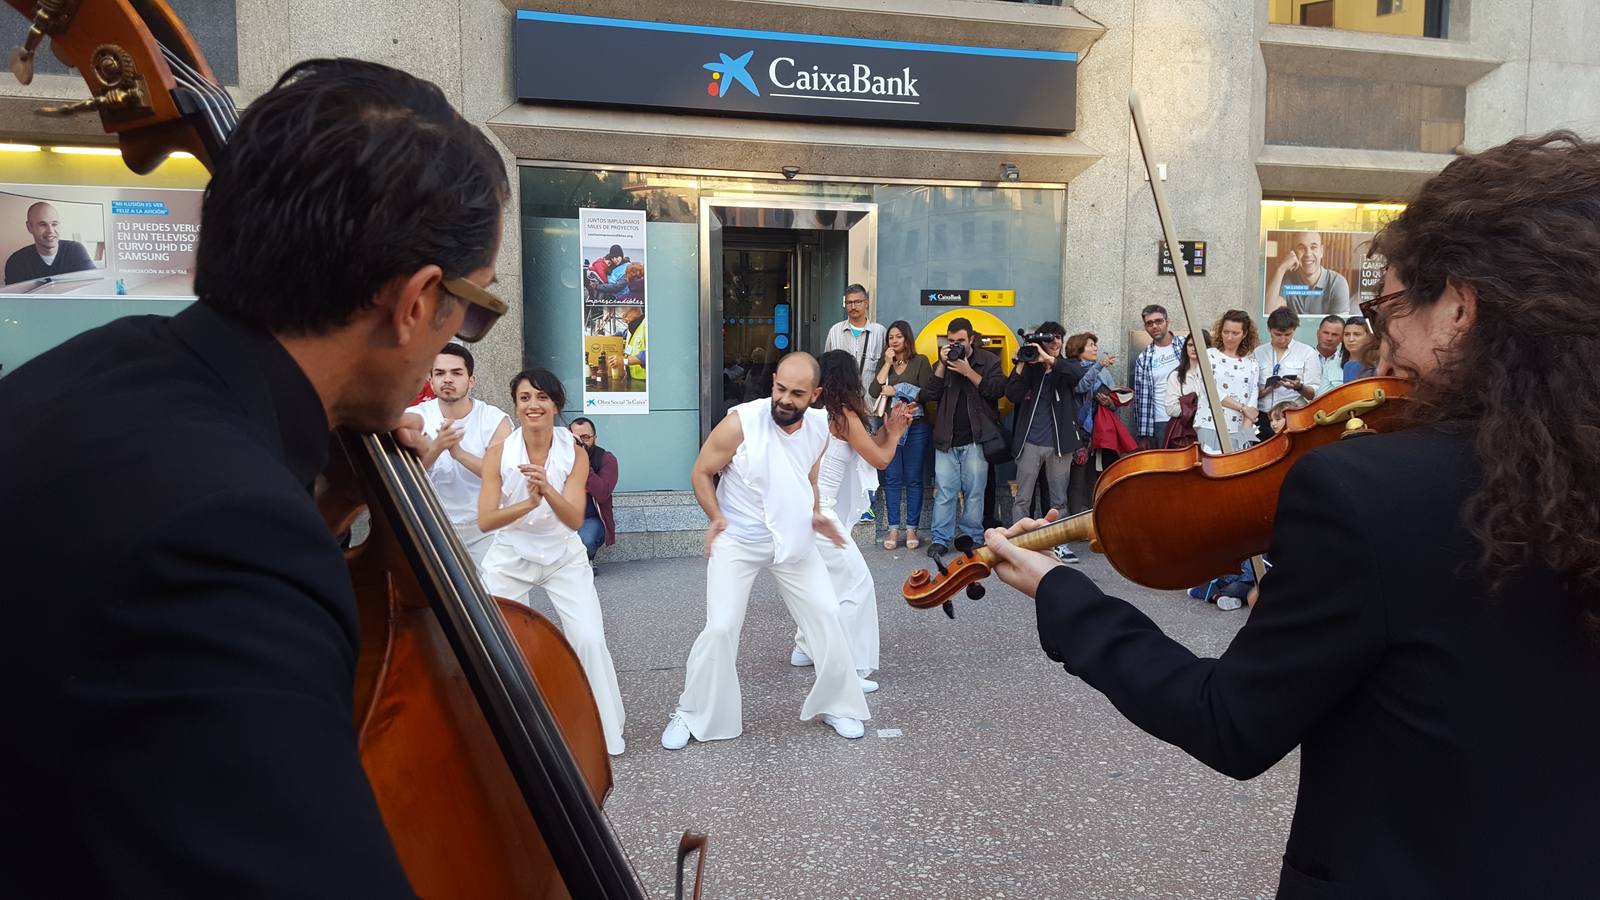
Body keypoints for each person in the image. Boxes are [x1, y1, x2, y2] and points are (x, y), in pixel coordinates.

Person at [983, 131, 1600, 896]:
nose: (1382, 350)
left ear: (1461, 310)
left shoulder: (1369, 492)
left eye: (1392, 309)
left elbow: (1231, 722)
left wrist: (1058, 592)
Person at [0, 59, 508, 896]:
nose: (461, 331)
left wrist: (330, 500)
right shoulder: (230, 534)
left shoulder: (98, 368)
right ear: (417, 302)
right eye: (473, 304)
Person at [662, 353, 871, 748]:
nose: (785, 400)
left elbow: (807, 477)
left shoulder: (819, 428)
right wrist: (715, 516)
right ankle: (692, 714)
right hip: (738, 539)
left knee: (827, 615)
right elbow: (701, 471)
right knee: (721, 626)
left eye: (797, 393)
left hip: (793, 540)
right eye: (780, 389)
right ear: (772, 382)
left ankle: (839, 705)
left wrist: (814, 514)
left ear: (816, 394)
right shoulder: (740, 422)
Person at [478, 369, 627, 756]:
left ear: (556, 405)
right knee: (501, 644)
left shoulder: (574, 452)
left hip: (563, 555)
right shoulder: (499, 452)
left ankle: (606, 732)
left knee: (590, 639)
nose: (533, 405)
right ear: (515, 404)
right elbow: (486, 519)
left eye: (542, 397)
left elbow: (575, 518)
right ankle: (510, 736)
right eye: (525, 397)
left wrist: (547, 489)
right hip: (510, 556)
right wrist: (527, 502)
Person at [789, 350, 914, 691]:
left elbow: (868, 448)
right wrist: (898, 431)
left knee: (822, 582)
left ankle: (805, 646)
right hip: (822, 513)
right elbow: (881, 459)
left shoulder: (810, 414)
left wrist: (888, 429)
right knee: (857, 585)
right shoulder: (843, 415)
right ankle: (850, 671)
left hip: (801, 510)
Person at [407, 343, 512, 569]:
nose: (448, 379)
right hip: (433, 526)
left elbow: (502, 476)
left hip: (487, 528)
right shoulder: (413, 418)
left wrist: (458, 453)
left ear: (471, 380)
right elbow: (404, 478)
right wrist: (437, 448)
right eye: (440, 373)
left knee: (501, 599)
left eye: (456, 373)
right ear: (431, 380)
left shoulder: (494, 420)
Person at [921, 317, 1006, 558]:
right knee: (945, 491)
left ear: (971, 339)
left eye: (960, 341)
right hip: (946, 439)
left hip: (976, 439)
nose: (955, 345)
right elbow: (929, 394)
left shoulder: (988, 360)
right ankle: (940, 539)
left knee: (975, 492)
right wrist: (941, 365)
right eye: (951, 341)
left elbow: (997, 391)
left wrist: (969, 372)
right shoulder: (944, 363)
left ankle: (972, 536)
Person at [869, 320, 934, 551]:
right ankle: (893, 528)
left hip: (916, 427)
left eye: (898, 337)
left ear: (907, 338)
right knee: (893, 478)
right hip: (890, 428)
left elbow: (927, 393)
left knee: (914, 478)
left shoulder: (921, 362)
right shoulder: (884, 363)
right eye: (890, 337)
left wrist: (898, 390)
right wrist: (887, 364)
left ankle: (912, 529)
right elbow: (874, 391)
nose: (894, 341)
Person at [1064, 331, 1119, 517]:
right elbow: (1081, 387)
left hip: (1100, 432)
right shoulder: (1072, 370)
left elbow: (1114, 403)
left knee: (1095, 476)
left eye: (1095, 345)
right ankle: (1075, 519)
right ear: (1078, 348)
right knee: (1077, 477)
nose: (1095, 348)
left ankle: (1094, 518)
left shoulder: (1104, 371)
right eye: (1090, 345)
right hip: (1080, 431)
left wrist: (1108, 402)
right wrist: (1098, 366)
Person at [1254, 307, 1321, 439]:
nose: (1283, 339)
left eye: (1288, 335)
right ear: (1269, 330)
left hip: (1293, 415)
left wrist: (1299, 387)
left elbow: (1314, 393)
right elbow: (1250, 390)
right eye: (1278, 334)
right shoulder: (1258, 353)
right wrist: (1267, 389)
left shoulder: (1307, 352)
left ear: (1294, 330)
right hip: (1264, 415)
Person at [1132, 304, 1187, 450]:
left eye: (1159, 321)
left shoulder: (1186, 345)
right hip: (1161, 421)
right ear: (1145, 327)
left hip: (1188, 417)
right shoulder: (1144, 358)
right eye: (1149, 323)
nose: (1154, 326)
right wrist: (1143, 435)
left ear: (1167, 322)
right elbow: (1141, 398)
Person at [4, 200, 96, 286]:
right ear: (29, 227)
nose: (50, 231)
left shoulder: (75, 251)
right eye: (42, 224)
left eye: (54, 224)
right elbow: (15, 301)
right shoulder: (16, 262)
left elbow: (93, 286)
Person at [823, 283, 886, 406]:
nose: (853, 306)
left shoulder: (880, 332)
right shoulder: (835, 331)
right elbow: (827, 368)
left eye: (858, 302)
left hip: (870, 406)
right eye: (849, 303)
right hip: (841, 404)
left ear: (866, 303)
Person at [1266, 231, 1353, 316]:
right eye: (1301, 248)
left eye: (1313, 247)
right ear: (1294, 253)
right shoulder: (1287, 280)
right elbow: (1268, 313)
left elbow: (1339, 326)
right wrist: (1281, 269)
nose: (1308, 253)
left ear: (1321, 251)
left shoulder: (1337, 283)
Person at [569, 416, 618, 564]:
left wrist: (581, 461)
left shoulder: (606, 459)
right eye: (576, 438)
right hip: (562, 515)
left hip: (591, 517)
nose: (581, 442)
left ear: (595, 438)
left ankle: (586, 561)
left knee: (586, 540)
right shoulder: (559, 457)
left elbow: (603, 493)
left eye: (585, 437)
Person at [1312, 314, 1346, 396]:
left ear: (1342, 338)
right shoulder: (1303, 357)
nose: (1329, 338)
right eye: (1326, 333)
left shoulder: (1345, 362)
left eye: (1334, 334)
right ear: (1318, 333)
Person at [1341, 317, 1376, 382]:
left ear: (1370, 337)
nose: (1351, 339)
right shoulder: (1336, 362)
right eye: (1346, 334)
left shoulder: (1381, 363)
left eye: (1357, 334)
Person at [620, 306, 646, 386]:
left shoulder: (647, 324)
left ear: (634, 310)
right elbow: (621, 333)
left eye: (625, 316)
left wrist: (624, 361)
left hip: (646, 381)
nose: (624, 320)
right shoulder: (632, 328)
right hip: (633, 379)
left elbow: (653, 353)